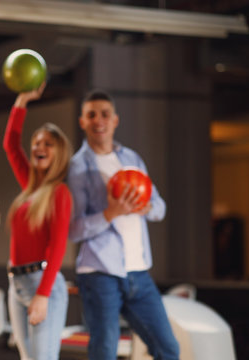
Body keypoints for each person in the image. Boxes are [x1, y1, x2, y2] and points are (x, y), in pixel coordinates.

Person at [67, 89, 179, 360]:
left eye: (104, 114)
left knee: (168, 349)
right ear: (82, 121)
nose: (98, 120)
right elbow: (73, 229)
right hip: (99, 272)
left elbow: (160, 208)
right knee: (105, 351)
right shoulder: (77, 168)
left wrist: (146, 207)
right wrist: (111, 212)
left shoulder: (132, 159)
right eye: (91, 115)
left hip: (138, 272)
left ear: (115, 120)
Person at [3, 83, 72, 360]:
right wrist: (22, 98)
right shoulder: (30, 187)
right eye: (36, 142)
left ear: (59, 153)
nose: (39, 147)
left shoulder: (59, 193)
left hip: (43, 284)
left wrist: (43, 295)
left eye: (48, 144)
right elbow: (10, 143)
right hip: (16, 283)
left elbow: (57, 247)